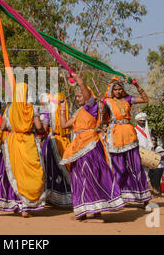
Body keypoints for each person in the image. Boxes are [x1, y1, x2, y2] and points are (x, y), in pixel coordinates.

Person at [59, 73, 125, 222]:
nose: (78, 98)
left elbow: (87, 95)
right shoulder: (78, 112)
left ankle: (97, 212)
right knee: (78, 178)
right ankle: (83, 210)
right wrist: (63, 108)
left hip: (90, 147)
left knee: (91, 176)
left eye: (80, 95)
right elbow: (64, 125)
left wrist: (79, 80)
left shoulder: (91, 107)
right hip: (78, 148)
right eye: (76, 97)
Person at [0, 82, 46, 218]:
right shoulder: (31, 108)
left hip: (12, 143)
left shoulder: (9, 109)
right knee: (29, 173)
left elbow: (2, 128)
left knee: (13, 173)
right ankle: (25, 206)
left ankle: (15, 204)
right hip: (28, 142)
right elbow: (38, 127)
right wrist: (42, 129)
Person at [103, 77, 151, 205]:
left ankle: (144, 199)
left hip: (130, 135)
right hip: (115, 137)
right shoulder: (107, 102)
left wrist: (137, 85)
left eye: (120, 89)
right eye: (116, 90)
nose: (118, 92)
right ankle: (116, 198)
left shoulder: (128, 99)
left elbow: (145, 99)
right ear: (112, 91)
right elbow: (102, 117)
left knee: (136, 167)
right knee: (119, 169)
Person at [40, 92, 72, 207]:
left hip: (51, 142)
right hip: (65, 143)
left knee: (51, 170)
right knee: (64, 168)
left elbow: (43, 128)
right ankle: (67, 196)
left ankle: (53, 197)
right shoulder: (66, 113)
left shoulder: (47, 112)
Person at [134, 112, 154, 184]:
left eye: (143, 121)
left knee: (146, 171)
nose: (142, 122)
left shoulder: (148, 130)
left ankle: (146, 187)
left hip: (147, 153)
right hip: (138, 152)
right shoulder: (134, 130)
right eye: (140, 120)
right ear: (137, 121)